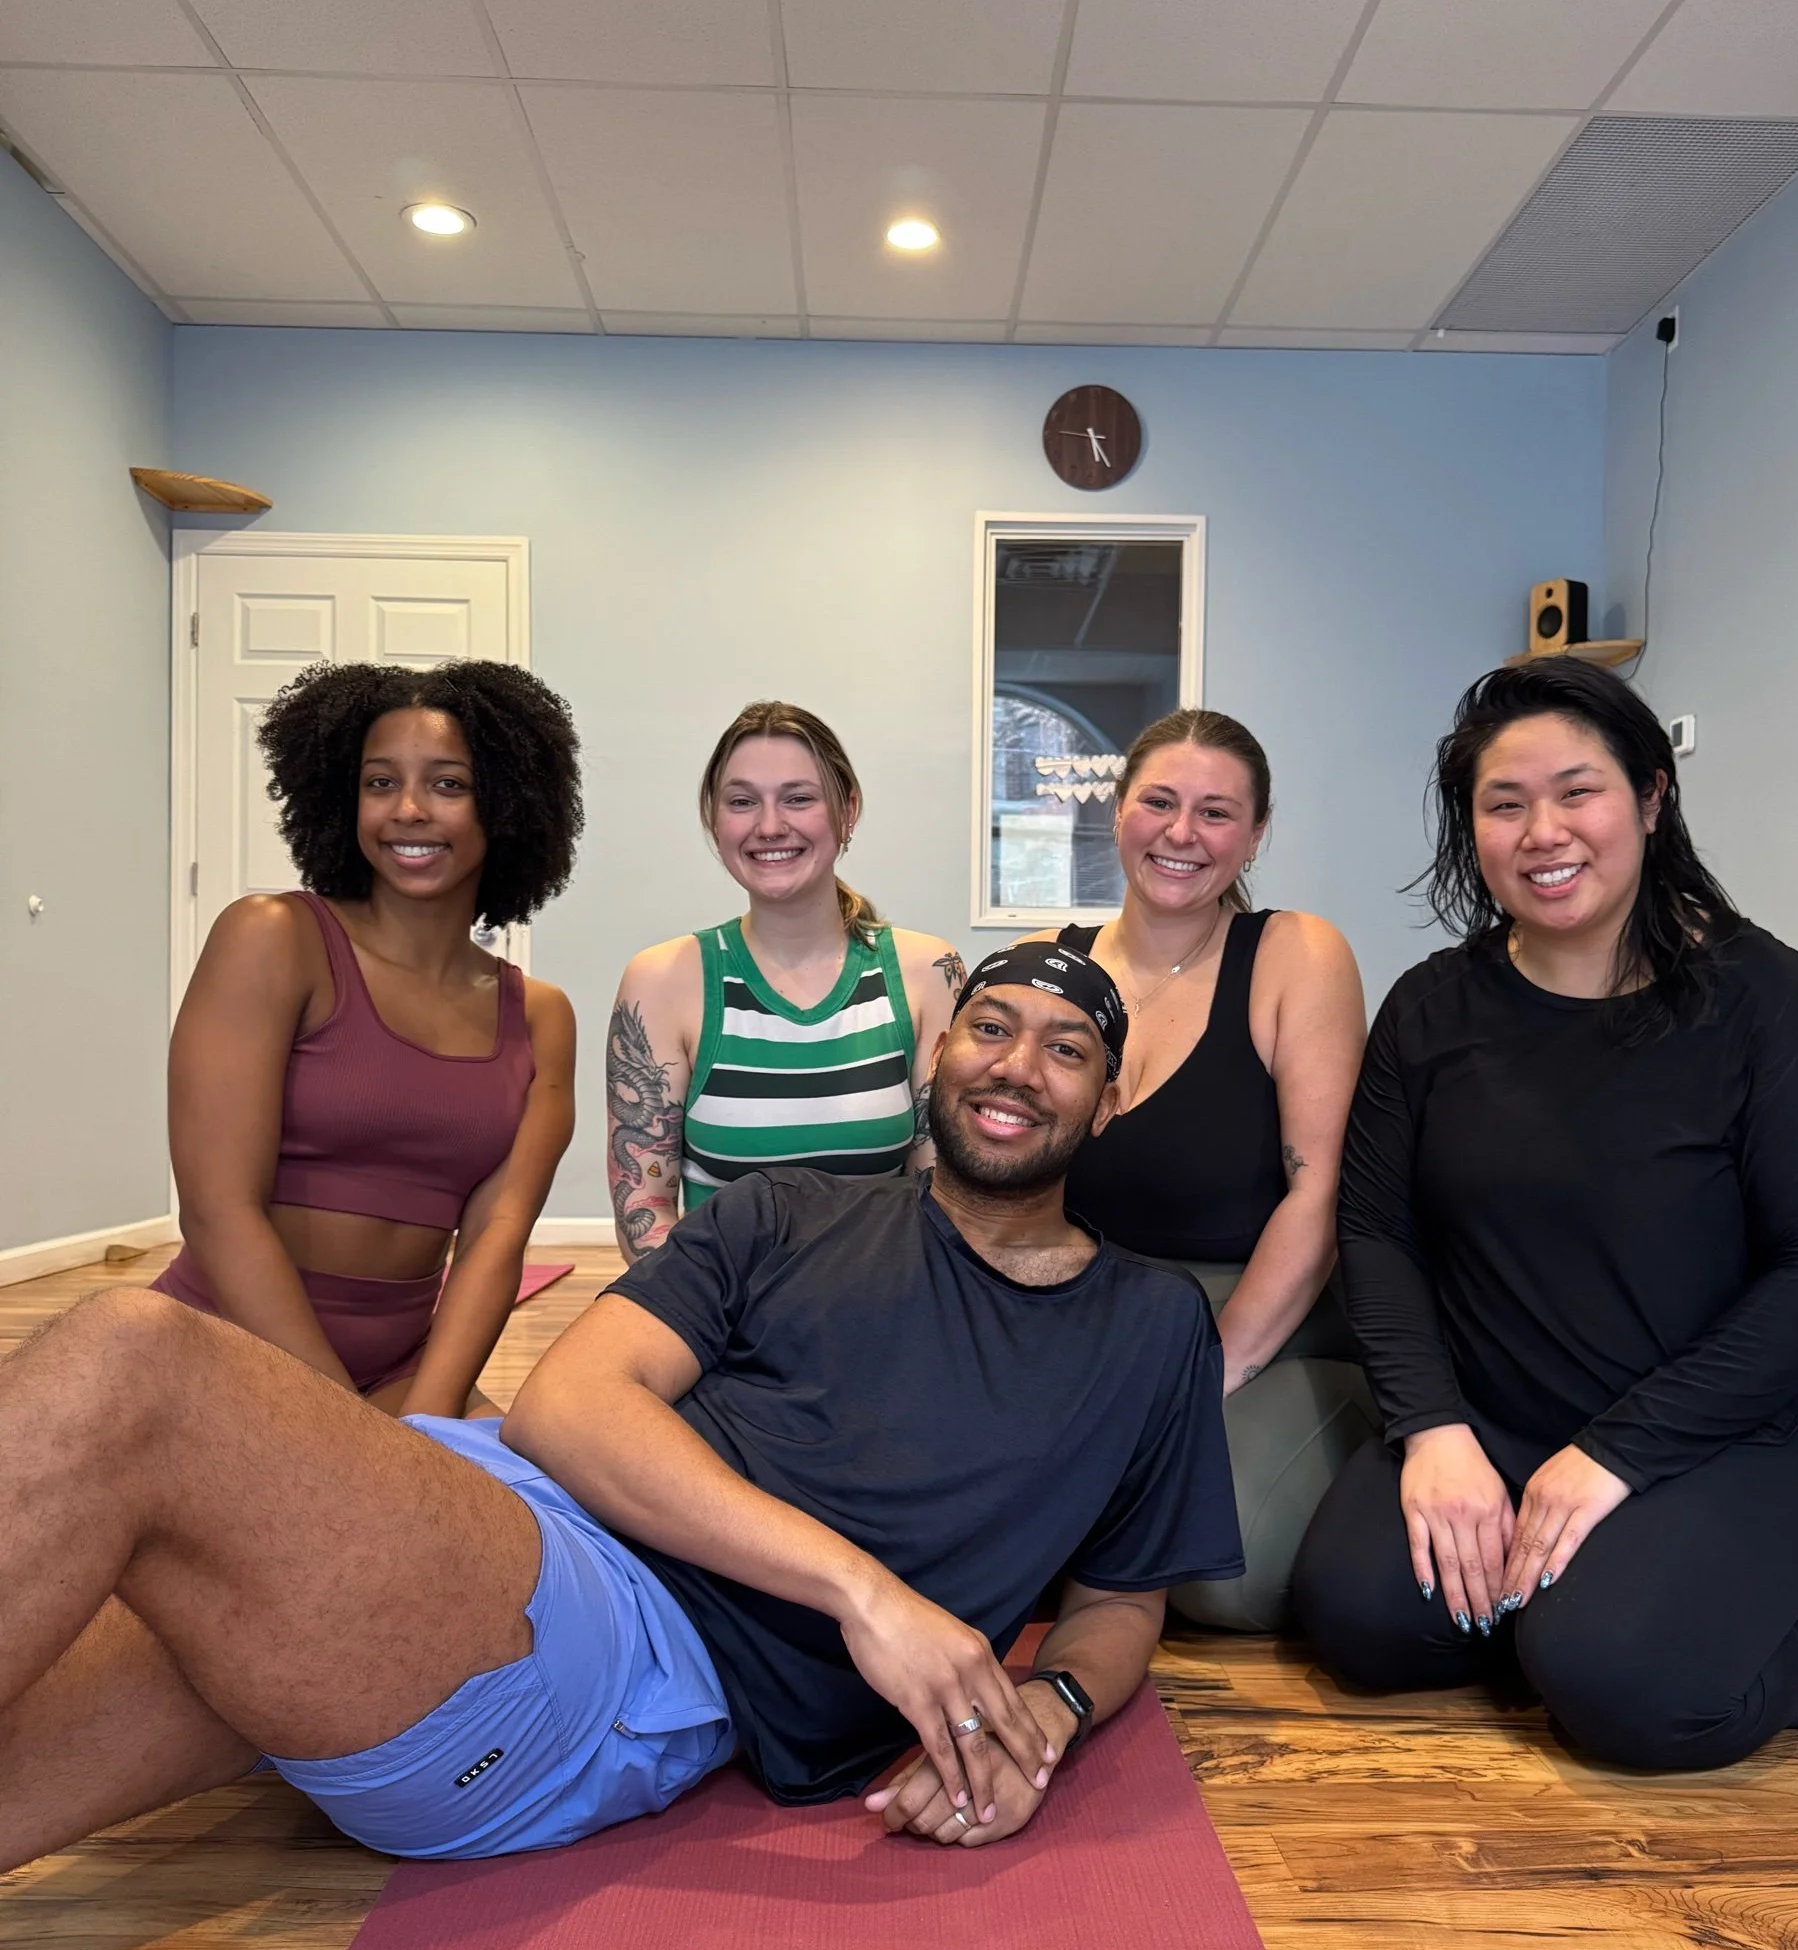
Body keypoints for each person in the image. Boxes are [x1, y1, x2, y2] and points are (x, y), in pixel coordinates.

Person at [0, 942, 1242, 1876]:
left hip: (625, 1647)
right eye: (991, 1028)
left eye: (1066, 1049)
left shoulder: (1150, 1326)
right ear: (939, 1056)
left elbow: (1122, 1597)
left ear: (1109, 1102)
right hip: (479, 1495)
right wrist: (868, 1594)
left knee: (135, 1359)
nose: (1015, 1065)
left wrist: (1047, 1711)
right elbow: (567, 1406)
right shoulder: (786, 1210)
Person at [1294, 658, 1798, 1770]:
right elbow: (1377, 1232)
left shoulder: (1772, 1002)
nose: (1542, 832)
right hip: (1499, 1417)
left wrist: (1614, 1454)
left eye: (1577, 792)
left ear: (1650, 798)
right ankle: (1577, 1606)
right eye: (1504, 803)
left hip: (1723, 1432)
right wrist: (1433, 1431)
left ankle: (1770, 1656)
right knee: (1362, 1619)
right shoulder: (1430, 1008)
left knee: (1621, 1683)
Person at [152, 660, 580, 1418]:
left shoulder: (540, 1016)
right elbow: (218, 1212)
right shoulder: (272, 938)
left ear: (508, 804)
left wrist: (428, 1421)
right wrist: (347, 1431)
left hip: (402, 1376)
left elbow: (495, 1239)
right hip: (222, 1347)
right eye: (380, 782)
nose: (408, 809)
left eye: (448, 784)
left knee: (547, 1491)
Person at [1033, 707, 1372, 1631]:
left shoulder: (1295, 952)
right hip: (1100, 1322)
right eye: (1159, 802)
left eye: (1216, 812)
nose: (1181, 833)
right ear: (1118, 811)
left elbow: (1320, 1191)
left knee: (1219, 1573)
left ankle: (1352, 1433)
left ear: (1254, 834)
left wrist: (1200, 1378)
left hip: (1263, 1328)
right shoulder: (1059, 968)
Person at [605, 701, 965, 1261]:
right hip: (721, 1308)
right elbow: (644, 1211)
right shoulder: (661, 979)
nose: (770, 826)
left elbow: (941, 1202)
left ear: (847, 811)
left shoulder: (930, 972)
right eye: (742, 801)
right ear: (714, 821)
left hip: (885, 1297)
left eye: (798, 798)